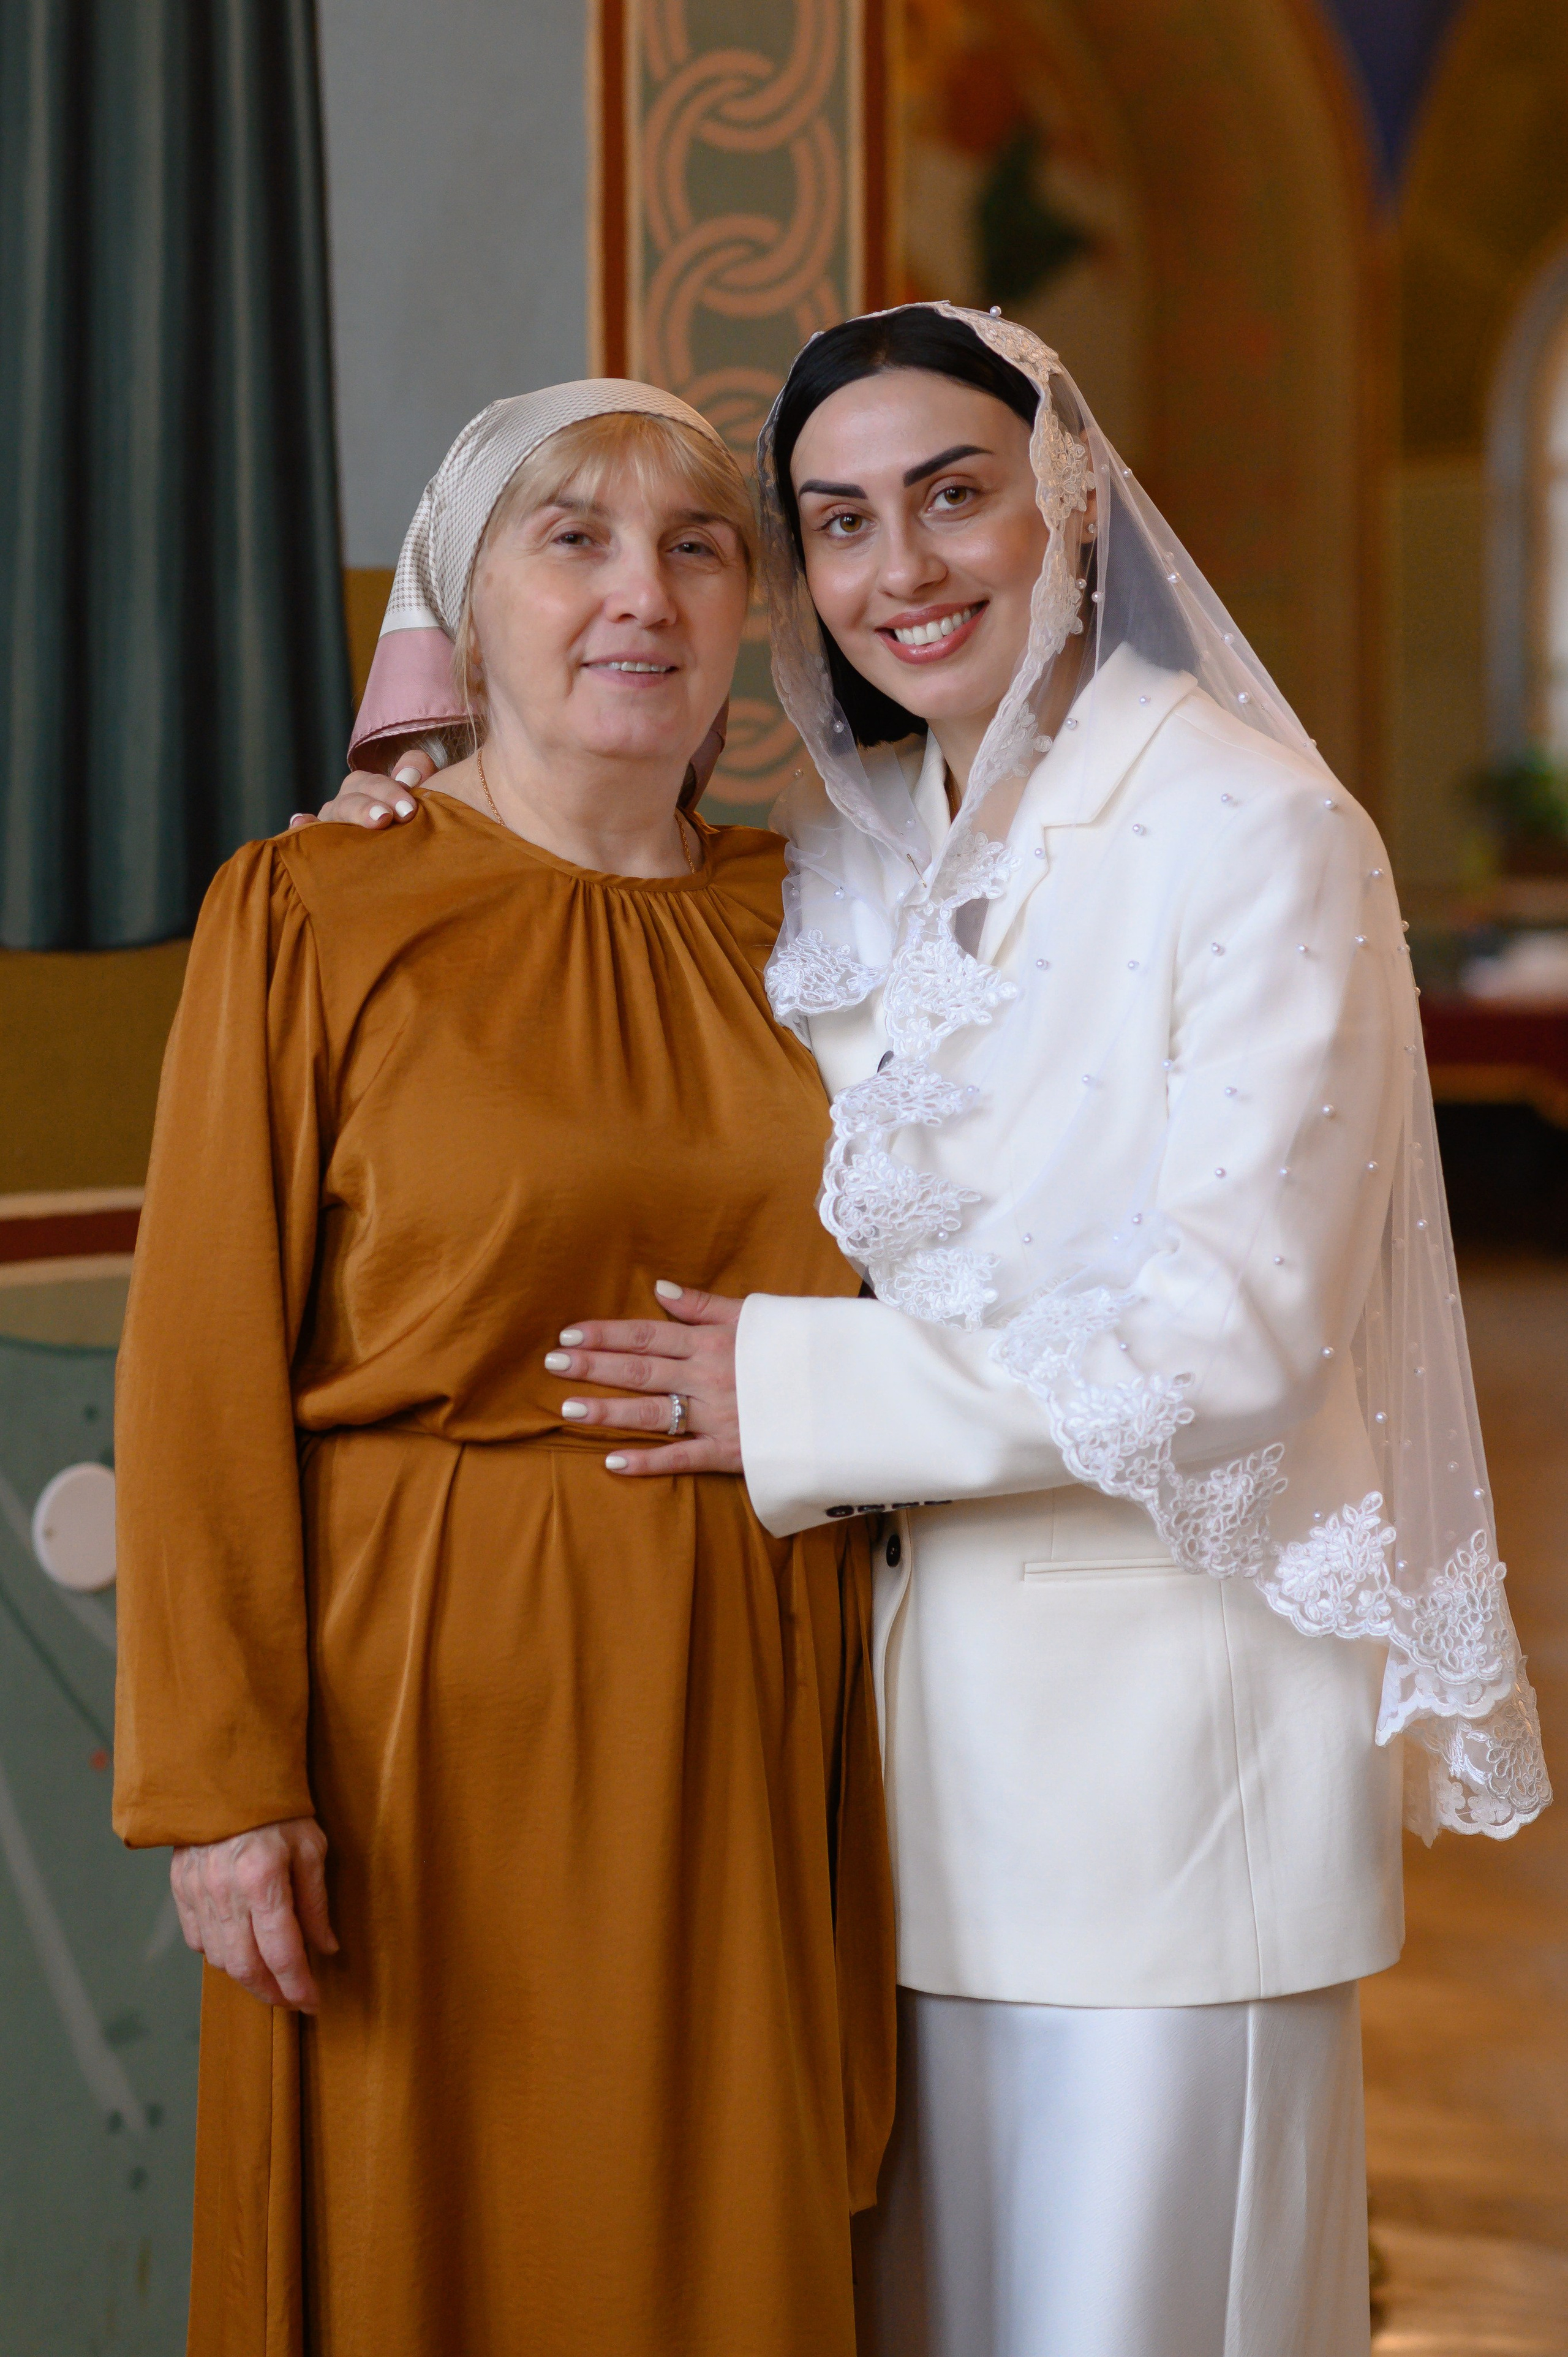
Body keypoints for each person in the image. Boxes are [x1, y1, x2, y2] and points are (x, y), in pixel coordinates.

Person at [317, 307, 1551, 2357]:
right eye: (839, 524)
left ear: (1064, 494)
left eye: (953, 497)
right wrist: (413, 812)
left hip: (1166, 1806)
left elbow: (1235, 1335)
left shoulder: (1256, 832)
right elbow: (589, 864)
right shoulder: (855, 854)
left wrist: (793, 1388)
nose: (902, 570)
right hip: (883, 1811)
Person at [112, 379, 895, 2357]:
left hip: (752, 1694)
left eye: (697, 545)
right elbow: (199, 1361)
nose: (641, 592)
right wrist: (222, 1786)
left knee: (721, 2259)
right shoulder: (311, 904)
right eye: (577, 540)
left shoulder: (830, 923)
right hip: (416, 1717)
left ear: (750, 611)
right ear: (467, 602)